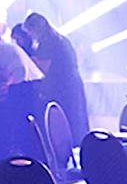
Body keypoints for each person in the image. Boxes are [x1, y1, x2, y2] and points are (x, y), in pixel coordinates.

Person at [25, 11, 88, 142]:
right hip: (72, 84)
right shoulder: (60, 39)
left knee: (63, 121)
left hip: (62, 87)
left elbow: (42, 69)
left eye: (29, 31)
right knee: (75, 120)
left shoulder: (47, 42)